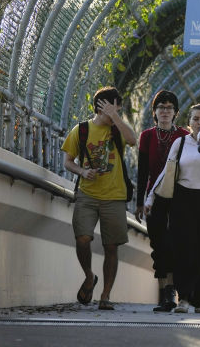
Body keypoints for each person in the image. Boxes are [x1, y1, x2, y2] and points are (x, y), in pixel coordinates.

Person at [61, 86, 138, 310]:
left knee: (111, 246)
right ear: (100, 106)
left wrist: (115, 117)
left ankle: (105, 295)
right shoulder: (82, 130)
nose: (117, 111)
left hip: (115, 196)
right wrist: (83, 172)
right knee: (82, 238)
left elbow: (133, 140)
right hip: (88, 193)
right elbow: (68, 161)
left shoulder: (118, 130)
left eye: (118, 108)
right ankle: (88, 276)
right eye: (113, 107)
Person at [147, 103, 200, 314]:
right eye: (196, 119)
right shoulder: (180, 142)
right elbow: (167, 170)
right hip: (184, 198)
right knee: (184, 248)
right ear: (189, 122)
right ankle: (183, 298)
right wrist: (150, 198)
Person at [135, 89, 189, 312]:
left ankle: (173, 292)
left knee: (175, 243)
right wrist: (139, 202)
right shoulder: (147, 136)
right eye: (161, 107)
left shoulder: (185, 136)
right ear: (154, 112)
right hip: (154, 198)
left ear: (175, 112)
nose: (165, 111)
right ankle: (165, 292)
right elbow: (142, 171)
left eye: (169, 108)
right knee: (159, 244)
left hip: (179, 198)